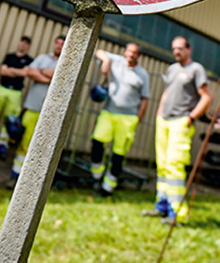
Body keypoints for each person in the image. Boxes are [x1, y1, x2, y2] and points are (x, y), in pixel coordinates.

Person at [145, 37, 211, 225]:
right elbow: (167, 92)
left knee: (174, 165)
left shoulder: (196, 69)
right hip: (164, 120)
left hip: (181, 121)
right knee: (163, 165)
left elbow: (206, 97)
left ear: (189, 49)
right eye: (174, 48)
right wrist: (159, 113)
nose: (177, 52)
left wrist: (191, 118)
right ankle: (161, 206)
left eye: (180, 48)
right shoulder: (172, 69)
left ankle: (177, 213)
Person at [89, 43, 149, 196]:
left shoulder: (142, 74)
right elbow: (99, 51)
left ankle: (108, 187)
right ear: (125, 52)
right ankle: (96, 177)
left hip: (128, 118)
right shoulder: (116, 61)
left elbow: (145, 98)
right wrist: (106, 61)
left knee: (118, 153)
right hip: (109, 112)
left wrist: (139, 117)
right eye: (128, 51)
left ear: (139, 56)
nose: (130, 55)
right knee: (97, 142)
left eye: (134, 53)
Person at [10, 35, 65, 187]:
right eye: (57, 43)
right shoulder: (42, 57)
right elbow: (30, 71)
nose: (59, 46)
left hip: (50, 113)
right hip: (32, 107)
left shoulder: (67, 63)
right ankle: (15, 176)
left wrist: (42, 72)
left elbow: (61, 76)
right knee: (24, 142)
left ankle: (32, 181)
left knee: (43, 146)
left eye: (62, 44)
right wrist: (50, 77)